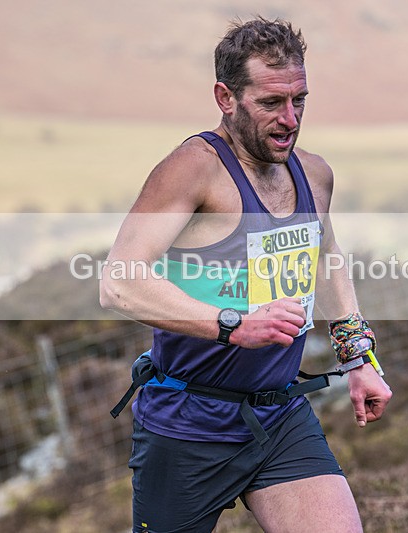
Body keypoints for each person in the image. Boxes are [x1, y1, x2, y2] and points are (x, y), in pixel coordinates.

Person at [101, 17, 392, 533]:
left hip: (278, 417)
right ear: (225, 97)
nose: (289, 119)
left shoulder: (315, 173)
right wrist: (233, 324)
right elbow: (120, 282)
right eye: (270, 103)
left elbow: (324, 259)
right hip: (187, 424)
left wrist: (357, 356)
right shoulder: (193, 169)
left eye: (299, 100)